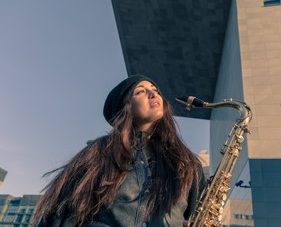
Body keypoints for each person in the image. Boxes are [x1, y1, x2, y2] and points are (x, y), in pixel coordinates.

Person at [32, 75, 205, 227]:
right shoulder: (100, 152)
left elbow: (197, 214)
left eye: (155, 90)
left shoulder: (187, 161)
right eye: (140, 92)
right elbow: (64, 213)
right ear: (125, 107)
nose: (154, 94)